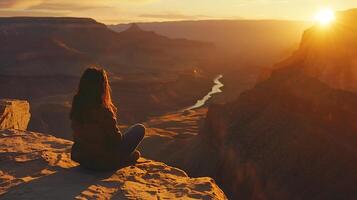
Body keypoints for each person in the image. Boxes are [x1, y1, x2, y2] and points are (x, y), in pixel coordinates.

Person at [70, 67, 145, 170]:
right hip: (103, 162)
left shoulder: (77, 108)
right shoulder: (103, 111)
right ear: (102, 87)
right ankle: (123, 160)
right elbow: (116, 140)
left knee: (134, 154)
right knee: (139, 129)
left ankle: (126, 159)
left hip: (84, 159)